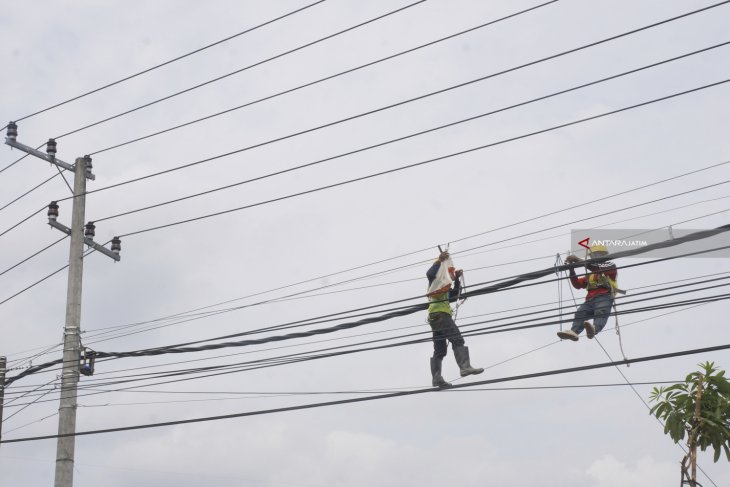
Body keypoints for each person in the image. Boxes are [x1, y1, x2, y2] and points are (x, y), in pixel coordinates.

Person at [426, 250, 483, 387]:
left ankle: (436, 378)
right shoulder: (434, 282)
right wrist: (439, 260)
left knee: (440, 351)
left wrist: (456, 279)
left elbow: (453, 297)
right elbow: (429, 273)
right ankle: (464, 366)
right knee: (457, 339)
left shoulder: (442, 288)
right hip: (441, 316)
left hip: (435, 319)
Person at [557, 244, 619, 342]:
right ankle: (574, 332)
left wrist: (577, 260)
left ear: (603, 255)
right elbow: (577, 284)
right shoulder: (591, 274)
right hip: (590, 300)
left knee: (601, 311)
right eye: (593, 255)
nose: (593, 257)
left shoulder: (610, 265)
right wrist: (571, 269)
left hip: (604, 296)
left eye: (596, 255)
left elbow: (597, 268)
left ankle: (594, 329)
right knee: (580, 312)